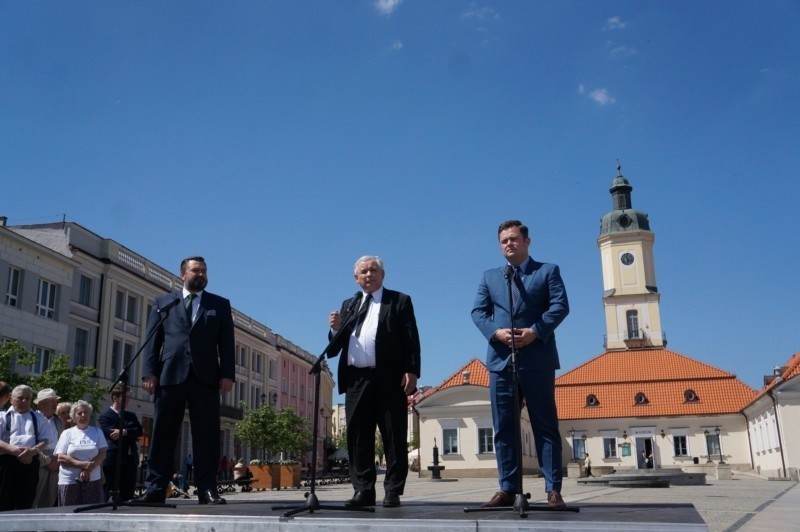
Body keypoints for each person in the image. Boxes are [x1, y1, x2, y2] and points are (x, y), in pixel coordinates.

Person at [472, 220, 569, 509]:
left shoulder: (547, 271)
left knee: (545, 425)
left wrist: (535, 331)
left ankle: (553, 490)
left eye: (514, 239)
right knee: (504, 428)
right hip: (501, 362)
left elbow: (560, 306)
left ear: (527, 242)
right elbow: (478, 311)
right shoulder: (491, 277)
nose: (509, 244)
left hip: (537, 358)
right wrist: (495, 332)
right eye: (504, 241)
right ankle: (508, 488)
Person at [139, 256, 235, 505]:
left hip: (205, 378)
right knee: (162, 434)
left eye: (204, 270)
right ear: (183, 274)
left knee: (207, 435)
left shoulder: (220, 305)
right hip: (170, 376)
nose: (201, 274)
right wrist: (149, 372)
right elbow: (152, 340)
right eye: (196, 270)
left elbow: (226, 344)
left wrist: (227, 375)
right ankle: (155, 489)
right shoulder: (165, 302)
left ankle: (207, 489)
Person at [327, 255, 421, 508]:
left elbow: (411, 338)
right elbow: (334, 349)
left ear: (382, 274)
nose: (369, 275)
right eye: (363, 272)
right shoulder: (350, 304)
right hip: (357, 378)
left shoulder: (399, 301)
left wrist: (412, 370)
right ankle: (363, 491)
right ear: (356, 278)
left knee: (393, 435)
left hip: (389, 377)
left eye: (373, 270)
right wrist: (336, 329)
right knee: (358, 437)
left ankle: (392, 490)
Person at [0, 384, 49, 510]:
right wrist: (15, 451)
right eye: (20, 397)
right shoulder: (3, 417)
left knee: (26, 502)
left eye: (27, 398)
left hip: (30, 462)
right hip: (7, 462)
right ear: (11, 399)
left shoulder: (38, 417)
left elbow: (45, 440)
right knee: (4, 501)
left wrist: (33, 451)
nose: (24, 401)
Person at [54, 400, 107, 506]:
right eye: (79, 413)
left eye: (86, 412)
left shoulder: (97, 432)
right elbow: (61, 457)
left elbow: (102, 454)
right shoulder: (67, 433)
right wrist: (83, 464)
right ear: (74, 416)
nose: (83, 415)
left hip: (93, 480)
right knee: (69, 514)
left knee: (93, 513)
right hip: (70, 481)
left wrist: (87, 469)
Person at [98, 383, 143, 503]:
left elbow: (139, 431)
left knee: (128, 493)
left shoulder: (131, 415)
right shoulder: (105, 417)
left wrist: (123, 432)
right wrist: (129, 433)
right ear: (115, 398)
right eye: (125, 396)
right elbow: (112, 436)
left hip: (130, 460)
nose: (128, 399)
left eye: (129, 396)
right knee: (110, 492)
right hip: (114, 460)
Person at [33, 388, 64, 508]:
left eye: (55, 401)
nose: (56, 404)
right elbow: (31, 443)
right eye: (52, 401)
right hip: (39, 461)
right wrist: (46, 462)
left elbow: (62, 442)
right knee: (34, 496)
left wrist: (57, 460)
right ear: (41, 404)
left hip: (56, 461)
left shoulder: (58, 421)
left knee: (50, 499)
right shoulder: (33, 418)